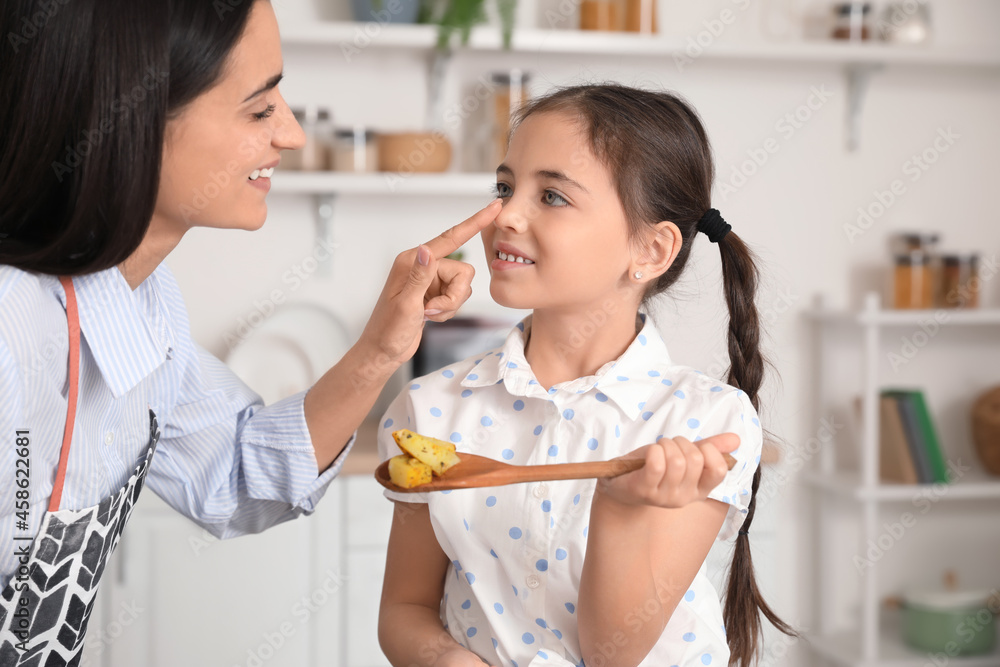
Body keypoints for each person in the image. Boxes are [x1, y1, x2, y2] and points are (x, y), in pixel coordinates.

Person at [0, 0, 500, 662]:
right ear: (134, 120)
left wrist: (382, 348)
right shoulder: (13, 318)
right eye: (260, 109)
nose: (291, 134)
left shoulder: (148, 306)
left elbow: (240, 471)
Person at [377, 84, 795, 667]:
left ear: (650, 250)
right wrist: (446, 661)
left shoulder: (704, 425)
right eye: (505, 187)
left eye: (551, 196)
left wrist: (622, 512)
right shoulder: (432, 410)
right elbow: (404, 609)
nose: (506, 216)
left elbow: (611, 655)